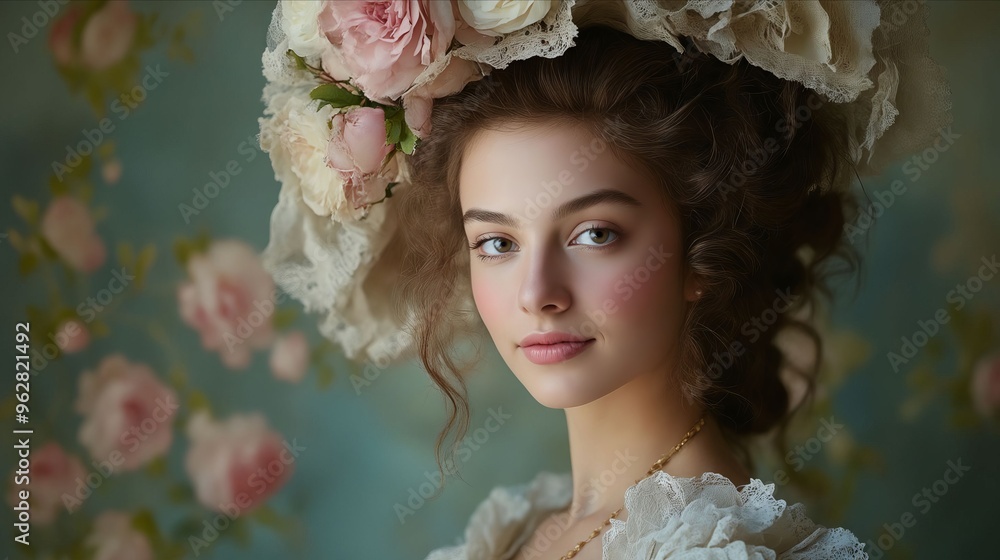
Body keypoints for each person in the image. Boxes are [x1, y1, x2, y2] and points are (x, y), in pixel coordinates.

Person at [257, 1, 951, 558]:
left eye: (595, 234)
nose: (538, 293)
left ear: (700, 252)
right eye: (497, 242)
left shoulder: (725, 549)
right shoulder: (524, 528)